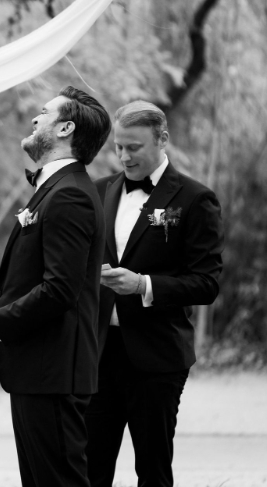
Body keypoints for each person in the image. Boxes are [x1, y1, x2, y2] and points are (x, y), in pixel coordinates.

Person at [0, 86, 111, 487]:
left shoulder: (70, 194)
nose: (35, 118)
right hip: (39, 370)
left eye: (44, 113)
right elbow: (45, 281)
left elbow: (60, 290)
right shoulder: (55, 190)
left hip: (54, 373)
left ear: (64, 128)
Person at [85, 101, 224, 487]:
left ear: (162, 140)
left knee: (153, 469)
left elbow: (207, 283)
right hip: (99, 354)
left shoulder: (196, 199)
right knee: (90, 469)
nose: (124, 157)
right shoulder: (99, 191)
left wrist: (143, 284)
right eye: (119, 147)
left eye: (134, 147)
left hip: (157, 357)